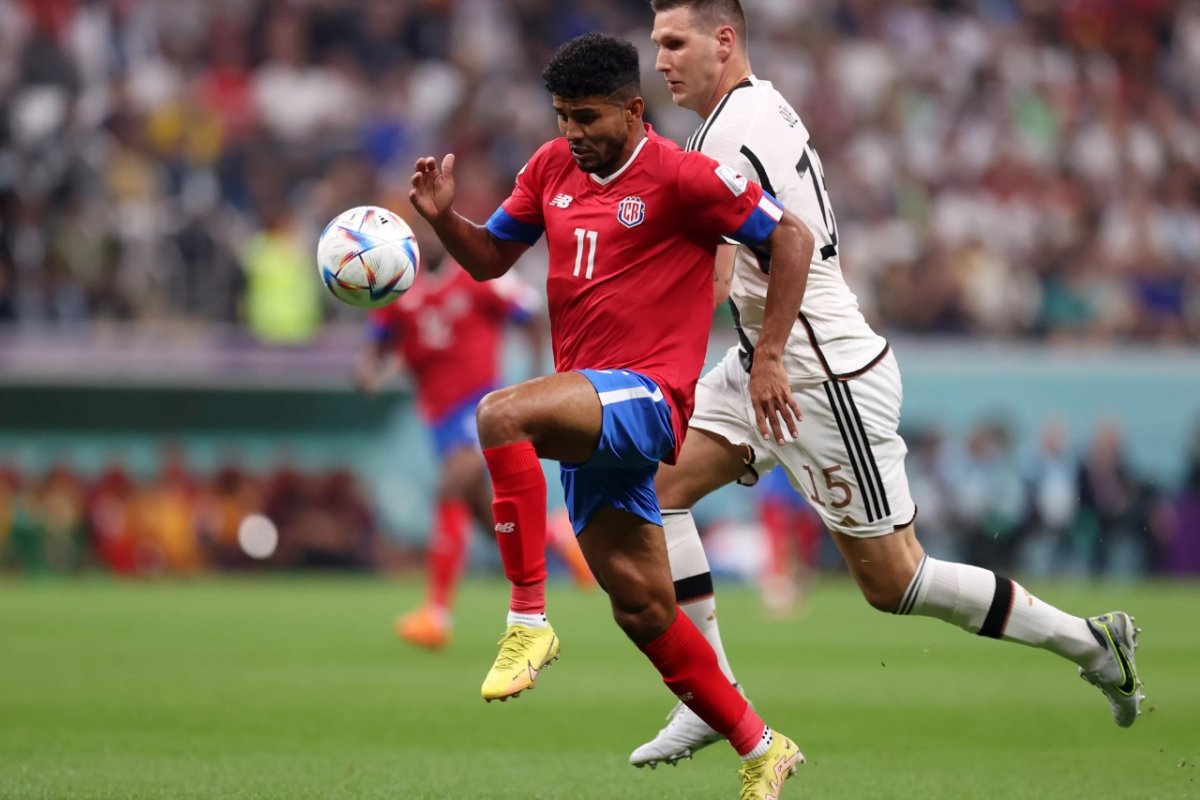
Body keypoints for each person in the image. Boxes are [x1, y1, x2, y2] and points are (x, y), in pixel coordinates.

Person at [631, 0, 1145, 769]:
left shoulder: (734, 132)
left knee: (895, 581)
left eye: (675, 42)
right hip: (768, 359)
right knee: (655, 488)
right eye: (657, 44)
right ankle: (710, 697)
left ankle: (1092, 643)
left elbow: (791, 245)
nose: (661, 60)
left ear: (724, 40)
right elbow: (727, 264)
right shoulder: (751, 111)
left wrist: (764, 356)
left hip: (817, 376)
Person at [409, 31, 810, 799]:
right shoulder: (549, 168)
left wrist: (768, 356)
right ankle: (763, 746)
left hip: (650, 396)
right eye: (562, 116)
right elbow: (491, 258)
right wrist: (443, 219)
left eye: (586, 117)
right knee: (641, 606)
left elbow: (790, 236)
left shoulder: (685, 178)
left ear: (632, 109)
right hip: (590, 410)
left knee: (500, 415)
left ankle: (528, 620)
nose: (572, 133)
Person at [356, 218, 593, 650]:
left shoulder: (477, 276)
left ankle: (436, 613)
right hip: (439, 418)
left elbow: (529, 314)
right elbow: (379, 342)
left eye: (434, 230)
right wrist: (368, 371)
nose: (429, 239)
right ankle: (561, 540)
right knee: (492, 519)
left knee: (450, 485)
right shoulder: (399, 290)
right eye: (420, 233)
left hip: (479, 406)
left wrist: (533, 378)